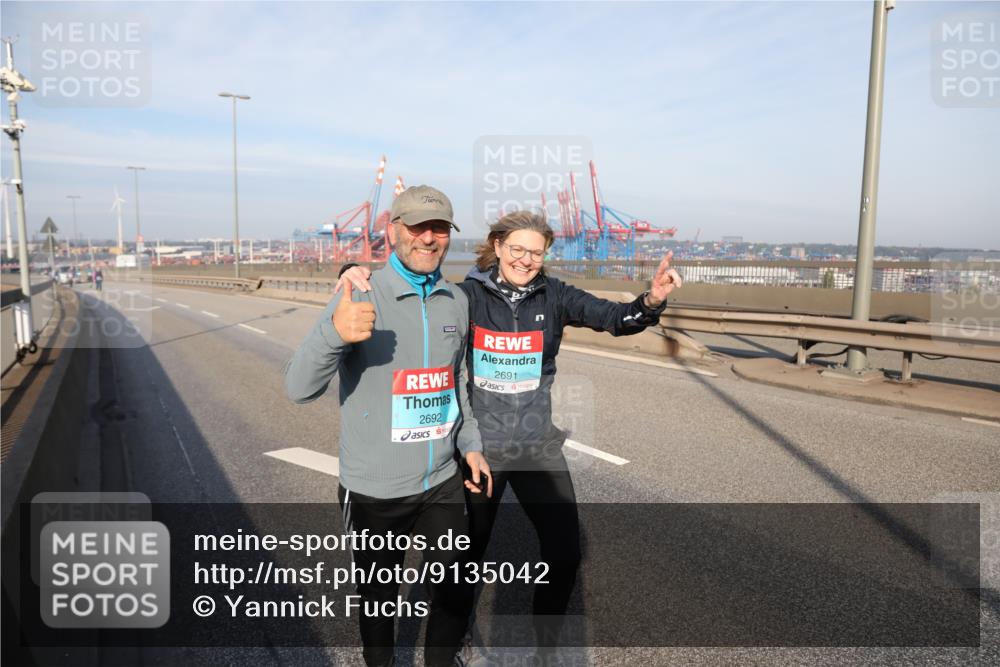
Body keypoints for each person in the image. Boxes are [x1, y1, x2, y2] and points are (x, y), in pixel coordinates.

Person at [337, 210, 683, 656]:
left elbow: (615, 318)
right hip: (483, 446)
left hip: (536, 445)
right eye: (517, 249)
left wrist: (651, 301)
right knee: (465, 561)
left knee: (564, 555)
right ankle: (455, 638)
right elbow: (421, 298)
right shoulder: (467, 298)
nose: (526, 259)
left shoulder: (554, 295)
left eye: (536, 252)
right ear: (497, 246)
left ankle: (546, 648)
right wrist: (352, 271)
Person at [285, 185, 493, 667]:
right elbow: (298, 388)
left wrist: (472, 443)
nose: (429, 238)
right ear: (393, 230)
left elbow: (453, 385)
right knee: (379, 602)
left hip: (440, 481)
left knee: (454, 585)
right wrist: (335, 334)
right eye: (417, 227)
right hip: (374, 491)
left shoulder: (454, 300)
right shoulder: (359, 291)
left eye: (439, 228)